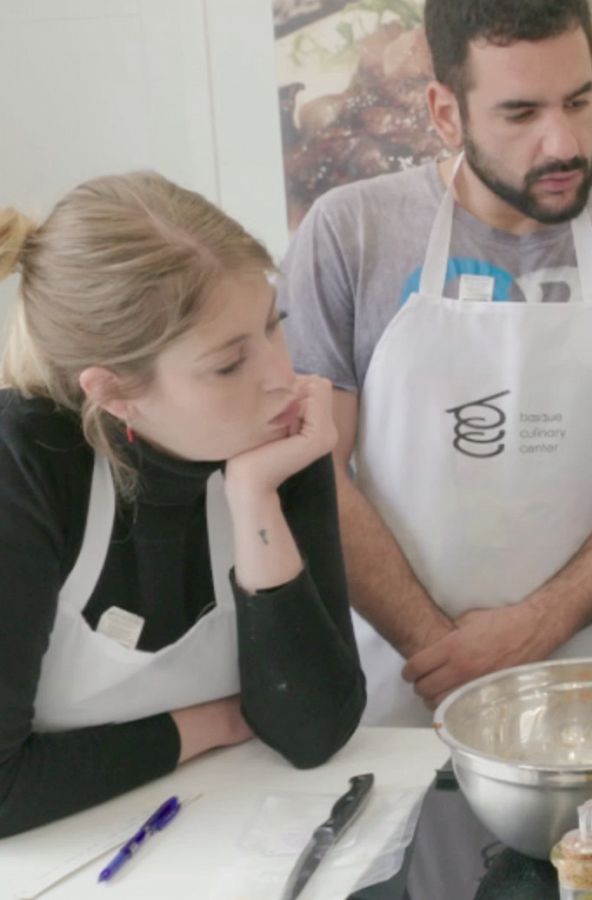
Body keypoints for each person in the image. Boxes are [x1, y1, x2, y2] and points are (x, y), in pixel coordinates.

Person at [278, 0, 592, 724]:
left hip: (585, 687)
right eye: (520, 113)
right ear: (446, 113)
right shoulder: (350, 235)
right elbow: (312, 469)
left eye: (580, 101)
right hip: (400, 685)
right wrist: (442, 651)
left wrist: (538, 625)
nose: (562, 142)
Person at [0, 174, 363, 837]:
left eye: (273, 326)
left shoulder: (279, 436)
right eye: (229, 365)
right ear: (115, 392)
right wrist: (215, 722)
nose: (282, 377)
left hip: (233, 841)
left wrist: (255, 498)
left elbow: (315, 730)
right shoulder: (24, 464)